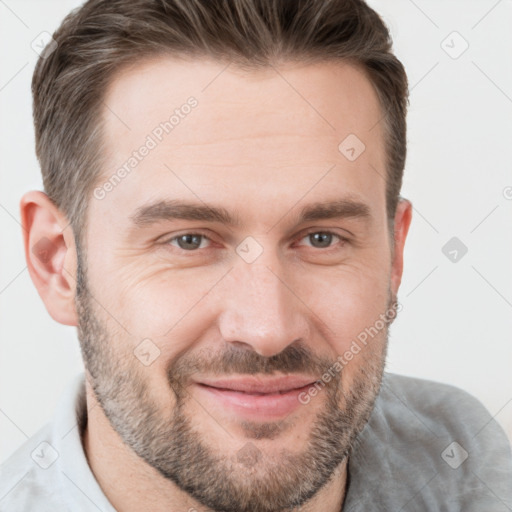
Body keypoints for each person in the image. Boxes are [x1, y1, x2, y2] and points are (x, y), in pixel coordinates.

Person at [1, 0, 511, 510]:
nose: (267, 329)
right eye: (190, 241)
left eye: (321, 238)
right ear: (56, 263)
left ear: (394, 255)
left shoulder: (469, 459)